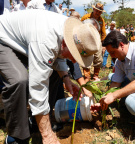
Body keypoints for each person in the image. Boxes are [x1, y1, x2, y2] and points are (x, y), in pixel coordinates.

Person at [0, 9, 101, 144]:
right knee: (19, 80)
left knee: (53, 74)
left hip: (24, 42)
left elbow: (59, 55)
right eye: (75, 56)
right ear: (66, 43)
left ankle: (35, 122)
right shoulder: (46, 39)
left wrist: (66, 78)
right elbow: (38, 86)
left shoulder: (68, 34)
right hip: (4, 39)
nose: (75, 61)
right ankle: (16, 136)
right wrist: (47, 135)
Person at [81, 3, 106, 81]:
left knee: (99, 58)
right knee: (86, 57)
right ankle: (87, 75)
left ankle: (96, 75)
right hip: (86, 40)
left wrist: (103, 45)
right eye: (97, 11)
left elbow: (103, 33)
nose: (98, 13)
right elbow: (79, 27)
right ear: (94, 9)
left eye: (100, 12)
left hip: (97, 40)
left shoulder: (102, 20)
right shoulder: (86, 17)